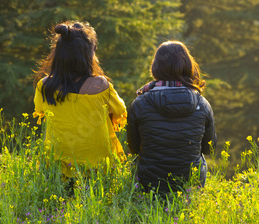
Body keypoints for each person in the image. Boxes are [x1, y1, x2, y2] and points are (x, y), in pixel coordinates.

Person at [34, 21, 127, 178]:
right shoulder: (101, 86)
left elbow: (40, 110)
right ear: (89, 55)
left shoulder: (44, 86)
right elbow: (120, 112)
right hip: (98, 166)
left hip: (58, 165)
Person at [127, 41, 216, 193]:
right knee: (201, 160)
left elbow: (134, 148)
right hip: (189, 184)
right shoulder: (202, 103)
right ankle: (194, 195)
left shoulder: (140, 102)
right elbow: (209, 148)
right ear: (188, 66)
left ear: (156, 67)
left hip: (149, 185)